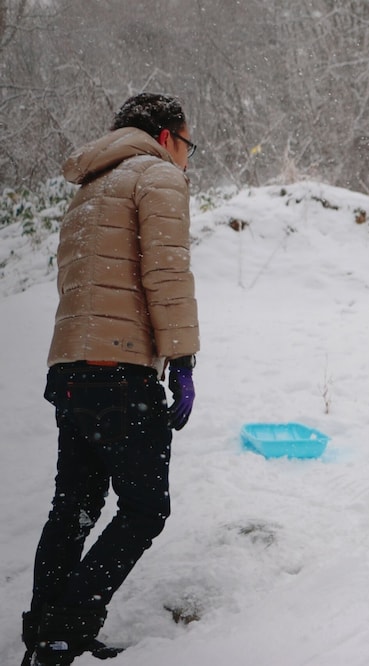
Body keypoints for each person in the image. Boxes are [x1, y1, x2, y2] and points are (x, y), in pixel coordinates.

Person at [21, 93, 200, 666]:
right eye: (187, 144)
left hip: (71, 371)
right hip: (122, 373)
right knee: (146, 509)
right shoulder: (156, 176)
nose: (188, 159)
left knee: (73, 505)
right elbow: (167, 272)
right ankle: (68, 627)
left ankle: (44, 633)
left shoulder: (88, 189)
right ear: (166, 136)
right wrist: (184, 361)